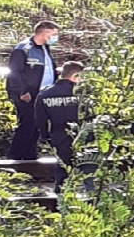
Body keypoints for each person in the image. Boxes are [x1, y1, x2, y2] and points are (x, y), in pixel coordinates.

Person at [35, 61, 95, 193]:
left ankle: (59, 199)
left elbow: (40, 120)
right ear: (76, 75)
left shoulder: (45, 94)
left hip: (59, 135)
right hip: (84, 136)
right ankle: (93, 198)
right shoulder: (85, 93)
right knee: (89, 168)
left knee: (62, 168)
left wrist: (45, 137)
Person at [6, 20, 60, 161]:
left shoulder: (44, 48)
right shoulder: (23, 49)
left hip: (42, 93)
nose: (56, 38)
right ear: (44, 34)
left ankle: (29, 156)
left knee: (37, 125)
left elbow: (50, 69)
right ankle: (15, 156)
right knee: (27, 123)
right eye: (54, 34)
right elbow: (15, 72)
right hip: (26, 94)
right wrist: (22, 92)